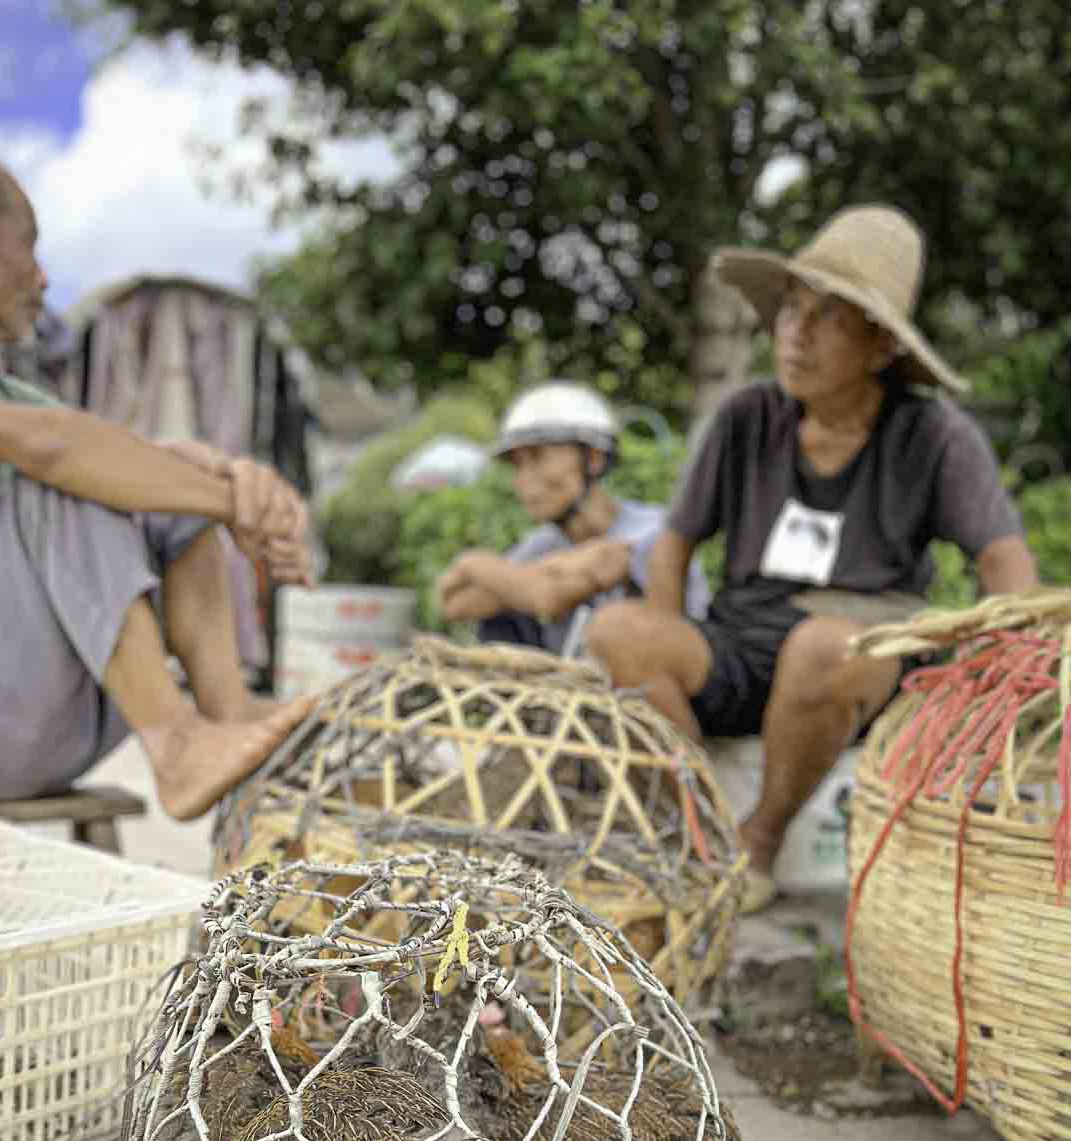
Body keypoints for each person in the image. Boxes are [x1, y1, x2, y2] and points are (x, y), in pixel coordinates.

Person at [586, 204, 1039, 913]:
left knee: (823, 647)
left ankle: (759, 845)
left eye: (828, 318)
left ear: (881, 344)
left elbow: (1004, 559)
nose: (795, 335)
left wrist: (1005, 672)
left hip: (860, 648)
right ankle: (700, 835)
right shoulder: (746, 419)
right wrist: (668, 643)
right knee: (620, 630)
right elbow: (673, 544)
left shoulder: (934, 436)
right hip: (744, 638)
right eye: (791, 310)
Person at [0, 137, 315, 821]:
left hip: (35, 706)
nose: (44, 277)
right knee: (72, 472)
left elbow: (135, 455)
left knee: (149, 472)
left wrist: (242, 484)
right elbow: (60, 450)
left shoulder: (1, 392)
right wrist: (230, 506)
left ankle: (225, 709)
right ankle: (175, 745)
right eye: (30, 244)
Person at [435, 381, 709, 655]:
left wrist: (472, 563)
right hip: (573, 689)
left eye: (538, 457)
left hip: (650, 689)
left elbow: (547, 596)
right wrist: (540, 574)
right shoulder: (543, 544)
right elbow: (456, 601)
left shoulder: (652, 531)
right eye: (517, 465)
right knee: (500, 620)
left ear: (593, 458)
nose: (523, 480)